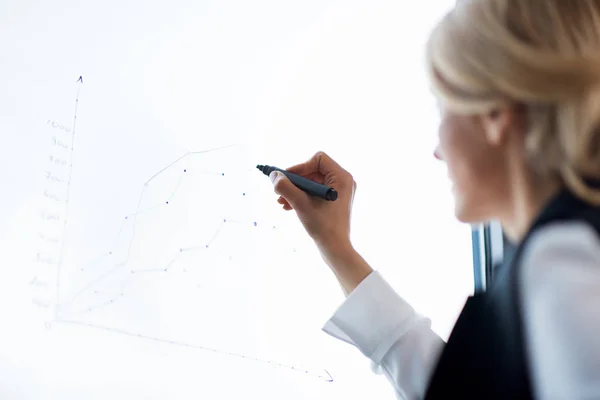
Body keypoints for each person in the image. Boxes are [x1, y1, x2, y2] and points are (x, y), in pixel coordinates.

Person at [268, 1, 600, 399]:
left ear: (494, 113)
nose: (437, 150)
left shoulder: (561, 260)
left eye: (443, 107)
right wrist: (335, 246)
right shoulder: (560, 255)